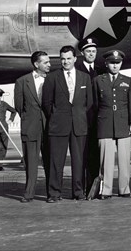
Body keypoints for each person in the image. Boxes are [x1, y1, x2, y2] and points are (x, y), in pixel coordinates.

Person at [42, 45, 93, 202]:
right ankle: (54, 193)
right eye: (63, 59)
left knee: (79, 162)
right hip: (58, 126)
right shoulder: (52, 77)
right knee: (56, 162)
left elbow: (89, 102)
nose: (65, 62)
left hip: (79, 125)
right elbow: (46, 103)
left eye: (69, 58)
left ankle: (78, 192)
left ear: (75, 59)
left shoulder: (84, 77)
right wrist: (57, 116)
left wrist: (80, 117)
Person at [93, 50, 131, 199]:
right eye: (112, 63)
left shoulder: (128, 80)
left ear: (121, 64)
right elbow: (94, 104)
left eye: (117, 63)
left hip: (123, 122)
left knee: (124, 158)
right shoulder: (99, 80)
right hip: (104, 122)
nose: (115, 66)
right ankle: (106, 190)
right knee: (106, 158)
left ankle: (124, 188)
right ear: (106, 63)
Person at [14, 51, 50, 202]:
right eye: (45, 62)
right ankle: (29, 193)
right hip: (31, 127)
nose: (49, 65)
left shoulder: (53, 80)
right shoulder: (22, 81)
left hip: (49, 128)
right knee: (31, 162)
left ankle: (52, 193)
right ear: (36, 64)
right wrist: (31, 120)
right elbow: (19, 106)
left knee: (50, 161)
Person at [74, 37, 106, 197]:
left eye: (94, 51)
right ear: (82, 53)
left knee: (95, 157)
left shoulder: (101, 70)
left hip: (98, 121)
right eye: (88, 51)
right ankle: (79, 190)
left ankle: (93, 189)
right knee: (81, 156)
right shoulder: (76, 69)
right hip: (81, 121)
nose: (91, 54)